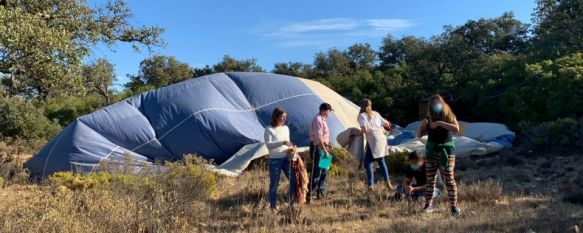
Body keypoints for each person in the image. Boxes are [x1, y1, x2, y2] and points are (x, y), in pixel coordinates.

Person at [416, 94, 461, 217]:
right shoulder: (428, 117)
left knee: (449, 179)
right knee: (430, 179)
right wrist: (423, 126)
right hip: (431, 150)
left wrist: (440, 123)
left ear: (442, 103)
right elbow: (418, 135)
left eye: (438, 103)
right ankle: (428, 205)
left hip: (446, 149)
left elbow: (456, 128)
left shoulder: (449, 115)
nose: (436, 106)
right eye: (433, 104)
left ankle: (454, 206)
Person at [357, 99, 393, 191]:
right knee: (381, 161)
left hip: (374, 139)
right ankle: (388, 183)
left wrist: (357, 133)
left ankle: (370, 186)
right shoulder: (376, 113)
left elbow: (364, 129)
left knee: (367, 163)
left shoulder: (362, 115)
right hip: (381, 137)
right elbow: (387, 123)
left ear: (361, 106)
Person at [264, 107, 296, 212]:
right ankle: (273, 206)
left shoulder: (286, 128)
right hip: (275, 160)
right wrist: (282, 142)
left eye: (285, 117)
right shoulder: (269, 129)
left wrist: (291, 149)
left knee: (293, 179)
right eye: (282, 117)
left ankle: (292, 203)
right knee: (275, 183)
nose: (284, 119)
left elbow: (288, 142)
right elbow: (269, 145)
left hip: (286, 158)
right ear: (276, 117)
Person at [307, 103, 334, 201]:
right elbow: (318, 138)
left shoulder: (323, 120)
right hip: (318, 148)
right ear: (325, 110)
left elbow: (323, 136)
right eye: (329, 111)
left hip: (323, 147)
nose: (330, 113)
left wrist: (328, 143)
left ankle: (321, 192)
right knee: (317, 171)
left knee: (324, 170)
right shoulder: (318, 119)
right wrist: (325, 150)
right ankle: (309, 194)